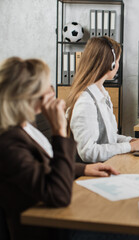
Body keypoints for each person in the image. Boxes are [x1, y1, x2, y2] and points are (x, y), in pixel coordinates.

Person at [0, 57, 119, 240]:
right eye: (47, 87)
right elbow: (58, 195)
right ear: (28, 96)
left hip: (60, 218)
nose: (52, 92)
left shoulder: (27, 126)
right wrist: (59, 132)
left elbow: (44, 166)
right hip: (50, 230)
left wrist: (84, 168)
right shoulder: (9, 144)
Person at [66, 36, 139, 163]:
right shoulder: (86, 101)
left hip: (108, 165)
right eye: (118, 61)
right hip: (92, 173)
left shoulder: (102, 94)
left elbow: (109, 139)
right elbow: (88, 152)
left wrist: (133, 141)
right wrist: (131, 147)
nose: (118, 65)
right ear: (110, 64)